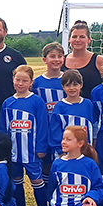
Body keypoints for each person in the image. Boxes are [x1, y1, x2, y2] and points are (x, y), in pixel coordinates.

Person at [0, 65, 48, 206]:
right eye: (17, 80)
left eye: (24, 80)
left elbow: (42, 125)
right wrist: (3, 148)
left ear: (31, 83)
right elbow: (3, 127)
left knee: (37, 181)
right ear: (13, 80)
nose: (20, 83)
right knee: (17, 181)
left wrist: (41, 147)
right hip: (14, 152)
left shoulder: (36, 101)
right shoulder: (8, 102)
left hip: (31, 151)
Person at [42, 126, 103, 206]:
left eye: (68, 139)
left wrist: (91, 197)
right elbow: (51, 188)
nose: (63, 142)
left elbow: (100, 187)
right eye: (63, 139)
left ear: (80, 143)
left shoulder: (89, 164)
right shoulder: (57, 163)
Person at [33, 42, 66, 197]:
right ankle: (46, 202)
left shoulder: (67, 80)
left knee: (62, 164)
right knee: (46, 165)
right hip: (43, 130)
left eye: (60, 56)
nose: (56, 59)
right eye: (52, 56)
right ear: (44, 59)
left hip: (62, 132)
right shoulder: (38, 83)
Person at [49, 70, 97, 160]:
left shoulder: (88, 104)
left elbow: (93, 125)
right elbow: (55, 131)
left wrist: (93, 144)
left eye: (75, 85)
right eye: (68, 85)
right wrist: (61, 151)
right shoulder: (60, 107)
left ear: (81, 85)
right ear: (63, 87)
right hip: (65, 153)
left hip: (85, 151)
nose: (72, 88)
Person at [63, 20, 103, 99]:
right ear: (69, 39)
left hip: (91, 108)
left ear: (89, 40)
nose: (77, 40)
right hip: (67, 109)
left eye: (82, 37)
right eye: (74, 37)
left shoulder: (99, 60)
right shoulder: (62, 60)